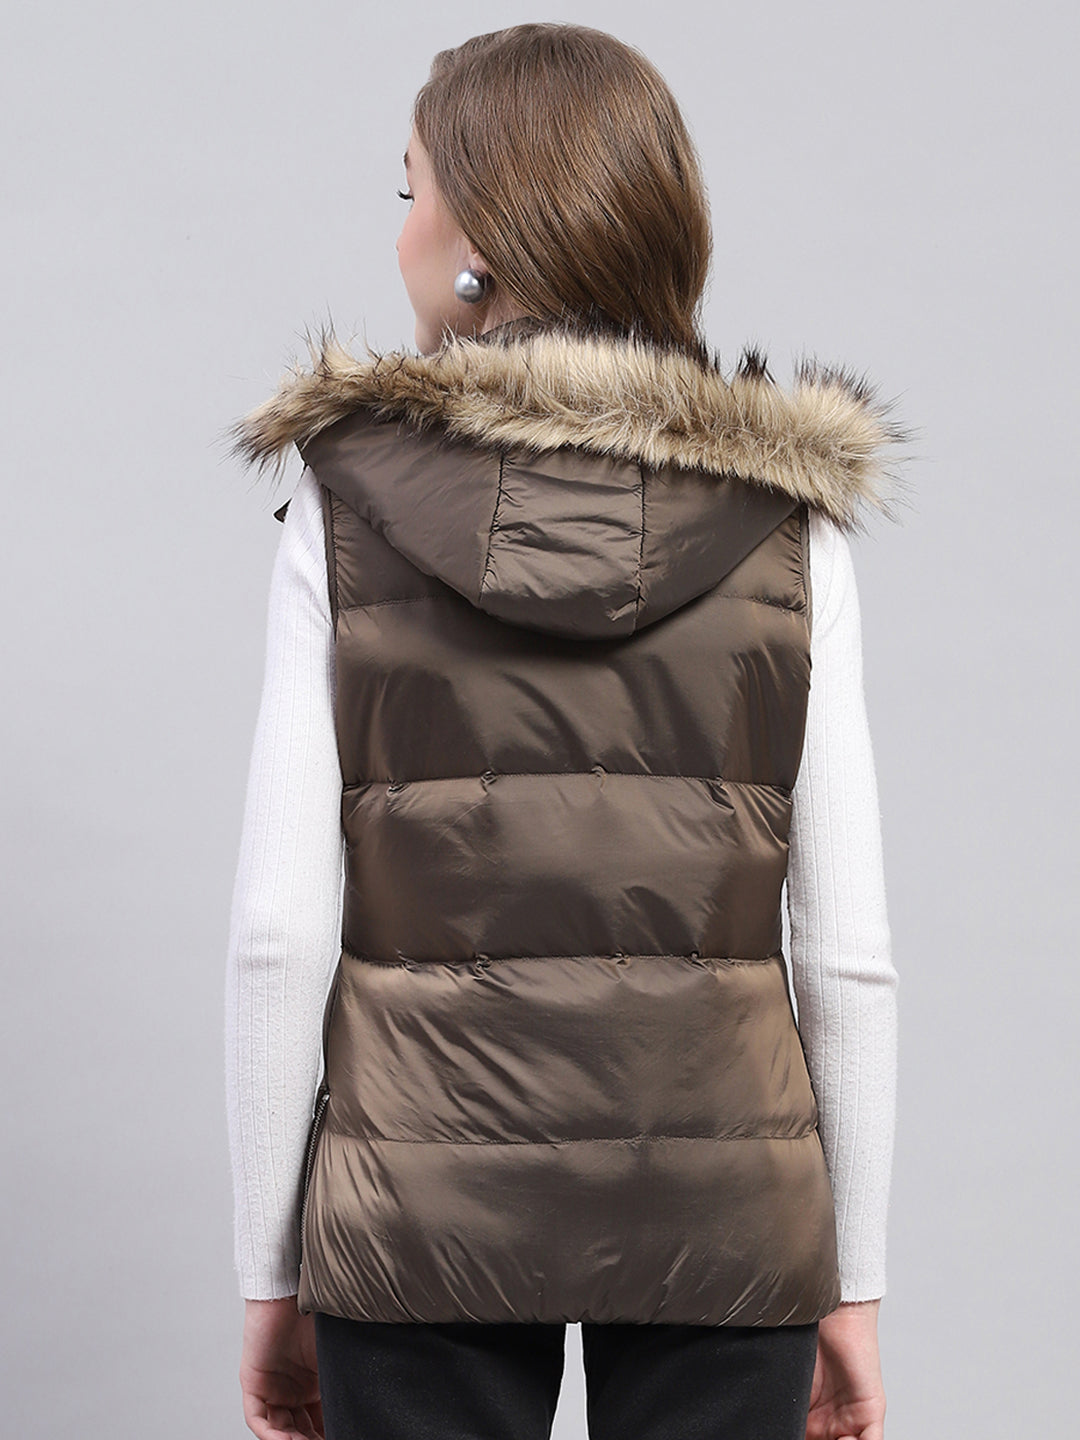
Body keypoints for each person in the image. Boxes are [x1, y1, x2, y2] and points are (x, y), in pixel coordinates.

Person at [224, 22, 905, 1440]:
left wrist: (270, 1271)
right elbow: (843, 950)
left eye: (410, 190)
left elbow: (279, 934)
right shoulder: (787, 518)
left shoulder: (347, 504)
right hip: (729, 1217)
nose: (400, 232)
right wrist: (851, 1284)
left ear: (478, 240)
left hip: (415, 1211)